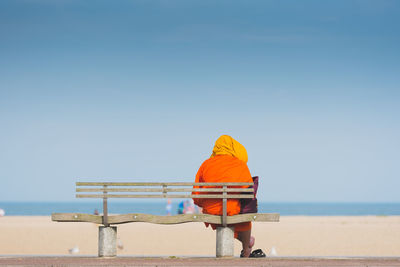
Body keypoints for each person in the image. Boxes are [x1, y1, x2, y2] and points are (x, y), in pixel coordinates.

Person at [192, 135, 256, 257]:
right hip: (233, 209)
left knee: (225, 217)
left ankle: (247, 242)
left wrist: (204, 203)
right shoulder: (240, 165)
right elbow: (249, 193)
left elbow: (196, 194)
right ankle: (246, 248)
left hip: (212, 211)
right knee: (244, 217)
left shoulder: (206, 164)